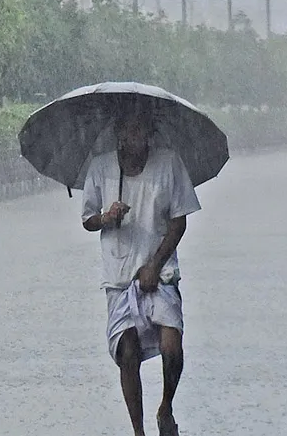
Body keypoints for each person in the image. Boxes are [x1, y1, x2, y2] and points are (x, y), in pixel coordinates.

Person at [81, 102, 201, 436]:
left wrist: (154, 265)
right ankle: (138, 431)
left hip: (160, 275)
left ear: (149, 133)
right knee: (127, 352)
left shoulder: (169, 164)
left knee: (171, 345)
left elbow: (179, 222)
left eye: (140, 130)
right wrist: (106, 218)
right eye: (127, 130)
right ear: (118, 134)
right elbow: (88, 218)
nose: (134, 137)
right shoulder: (101, 168)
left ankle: (166, 407)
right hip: (119, 278)